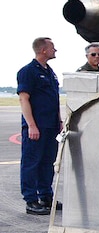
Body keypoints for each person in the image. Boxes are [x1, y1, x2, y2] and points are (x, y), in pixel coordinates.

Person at [18, 37, 62, 215]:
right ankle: (31, 200)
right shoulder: (28, 71)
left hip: (50, 126)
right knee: (31, 162)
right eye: (52, 47)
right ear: (43, 50)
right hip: (37, 126)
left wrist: (58, 121)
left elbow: (54, 100)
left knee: (47, 162)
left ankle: (46, 196)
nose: (55, 50)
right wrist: (31, 126)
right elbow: (24, 99)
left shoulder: (50, 72)